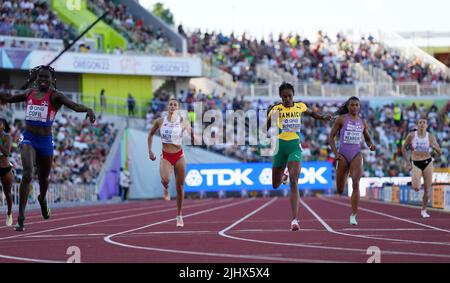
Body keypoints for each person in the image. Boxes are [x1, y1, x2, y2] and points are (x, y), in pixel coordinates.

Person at [0, 65, 96, 231]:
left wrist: (88, 109)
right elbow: (9, 98)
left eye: (46, 78)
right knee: (28, 173)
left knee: (44, 179)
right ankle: (21, 217)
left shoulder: (55, 96)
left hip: (45, 141)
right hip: (28, 137)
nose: (43, 80)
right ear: (36, 79)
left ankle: (42, 199)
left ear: (52, 80)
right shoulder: (29, 93)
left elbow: (74, 105)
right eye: (40, 77)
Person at [267, 82, 331, 231]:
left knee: (294, 182)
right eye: (284, 97)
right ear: (280, 97)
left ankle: (294, 220)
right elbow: (266, 126)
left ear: (293, 95)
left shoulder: (299, 106)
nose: (287, 99)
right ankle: (284, 173)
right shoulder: (276, 109)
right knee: (275, 185)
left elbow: (312, 113)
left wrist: (322, 117)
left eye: (289, 96)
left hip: (294, 147)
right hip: (279, 149)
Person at [147, 99, 196, 228]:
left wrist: (193, 137)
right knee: (165, 179)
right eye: (170, 104)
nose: (173, 106)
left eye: (175, 105)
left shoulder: (183, 121)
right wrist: (150, 151)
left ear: (178, 108)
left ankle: (179, 216)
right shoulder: (160, 121)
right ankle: (166, 188)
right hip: (166, 156)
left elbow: (191, 132)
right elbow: (151, 134)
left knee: (180, 187)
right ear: (167, 107)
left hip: (179, 156)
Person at [328, 96, 376, 226]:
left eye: (357, 105)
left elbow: (367, 139)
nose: (354, 107)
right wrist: (335, 153)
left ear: (359, 107)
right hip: (342, 155)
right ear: (348, 107)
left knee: (356, 182)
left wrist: (371, 145)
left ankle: (354, 215)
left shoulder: (363, 122)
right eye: (352, 105)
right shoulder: (341, 119)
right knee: (340, 189)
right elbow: (331, 137)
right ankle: (344, 175)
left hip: (356, 154)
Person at [401, 118, 442, 218]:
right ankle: (417, 182)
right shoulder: (411, 135)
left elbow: (440, 152)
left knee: (427, 190)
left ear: (427, 125)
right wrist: (407, 162)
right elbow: (403, 148)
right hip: (416, 162)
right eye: (420, 123)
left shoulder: (430, 137)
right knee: (416, 187)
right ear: (417, 125)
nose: (422, 124)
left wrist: (433, 146)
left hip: (428, 162)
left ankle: (424, 210)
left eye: (424, 123)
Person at [0, 118, 13, 226]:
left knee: (8, 193)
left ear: (3, 126)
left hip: (5, 168)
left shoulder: (7, 136)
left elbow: (7, 152)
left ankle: (9, 213)